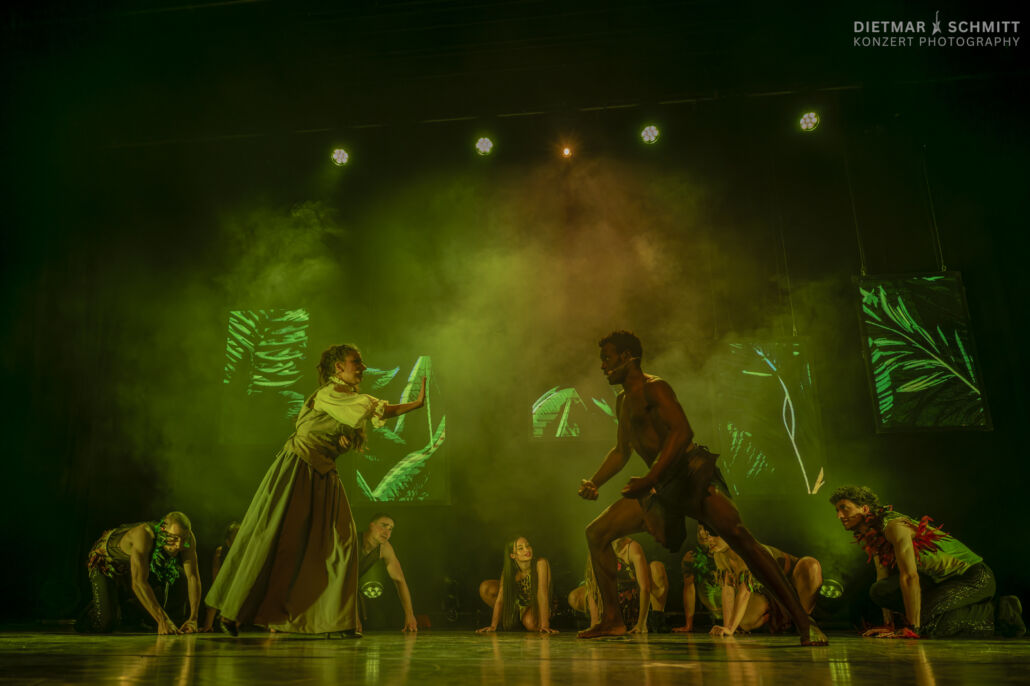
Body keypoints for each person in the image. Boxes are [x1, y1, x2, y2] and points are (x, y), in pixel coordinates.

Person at [576, 330, 827, 644]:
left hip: (690, 475)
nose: (602, 366)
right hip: (660, 485)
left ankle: (804, 622)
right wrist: (595, 481)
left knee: (741, 539)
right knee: (596, 533)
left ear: (627, 357)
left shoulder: (656, 388)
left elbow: (681, 432)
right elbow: (621, 451)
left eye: (607, 358)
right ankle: (613, 620)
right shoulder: (623, 401)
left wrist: (650, 479)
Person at [206, 344, 426, 636]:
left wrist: (414, 405)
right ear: (339, 367)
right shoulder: (328, 395)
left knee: (344, 541)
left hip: (324, 474)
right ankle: (234, 611)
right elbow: (375, 408)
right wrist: (414, 404)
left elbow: (368, 413)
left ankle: (340, 620)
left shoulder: (348, 400)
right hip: (298, 467)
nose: (362, 367)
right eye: (356, 362)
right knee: (276, 538)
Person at [831, 485, 1024, 638]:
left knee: (926, 627)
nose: (839, 516)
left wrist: (912, 627)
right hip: (939, 582)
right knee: (879, 590)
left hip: (973, 577)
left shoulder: (894, 526)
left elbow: (910, 577)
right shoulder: (873, 536)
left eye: (844, 508)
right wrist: (890, 625)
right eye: (837, 510)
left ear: (864, 509)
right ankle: (927, 619)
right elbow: (882, 578)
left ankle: (1000, 611)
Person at [75, 512, 202, 635]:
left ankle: (124, 607)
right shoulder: (143, 534)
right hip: (105, 563)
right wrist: (163, 620)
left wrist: (193, 619)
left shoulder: (187, 538)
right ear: (162, 530)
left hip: (133, 567)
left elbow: (193, 577)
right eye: (173, 538)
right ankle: (94, 611)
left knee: (177, 576)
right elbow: (138, 583)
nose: (179, 545)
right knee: (105, 623)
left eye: (183, 539)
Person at [700, 525, 823, 637]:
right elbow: (727, 590)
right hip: (770, 593)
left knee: (810, 565)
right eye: (707, 536)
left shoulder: (746, 549)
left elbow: (744, 592)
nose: (709, 540)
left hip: (794, 584)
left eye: (713, 535)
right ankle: (785, 621)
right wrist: (727, 627)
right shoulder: (719, 555)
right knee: (744, 622)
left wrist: (730, 628)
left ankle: (805, 622)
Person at [567, 536, 669, 633]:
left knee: (657, 568)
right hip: (612, 600)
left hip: (634, 598)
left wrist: (641, 623)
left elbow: (644, 587)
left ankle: (655, 620)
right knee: (574, 597)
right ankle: (605, 621)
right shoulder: (598, 548)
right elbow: (593, 586)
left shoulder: (631, 547)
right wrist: (594, 624)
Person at [476, 536, 558, 634]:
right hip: (519, 607)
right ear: (513, 555)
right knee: (485, 587)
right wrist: (493, 625)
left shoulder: (540, 563)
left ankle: (528, 621)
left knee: (530, 622)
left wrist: (545, 625)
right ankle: (514, 621)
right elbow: (500, 599)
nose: (527, 549)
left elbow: (542, 594)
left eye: (528, 545)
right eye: (520, 548)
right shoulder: (509, 572)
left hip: (537, 604)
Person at [358, 512, 419, 632]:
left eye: (390, 529)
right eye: (383, 526)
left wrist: (409, 615)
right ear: (371, 526)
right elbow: (341, 578)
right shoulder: (352, 540)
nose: (387, 532)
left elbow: (399, 580)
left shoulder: (385, 548)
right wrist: (350, 616)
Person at [673, 531, 723, 632]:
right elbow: (689, 587)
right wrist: (688, 625)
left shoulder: (727, 552)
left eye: (705, 530)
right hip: (713, 610)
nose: (701, 533)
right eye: (699, 529)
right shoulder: (693, 556)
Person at [201, 521, 240, 632]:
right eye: (236, 536)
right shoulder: (220, 552)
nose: (239, 539)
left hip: (241, 586)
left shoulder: (248, 553)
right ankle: (208, 626)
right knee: (215, 593)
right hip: (225, 585)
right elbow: (217, 579)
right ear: (228, 541)